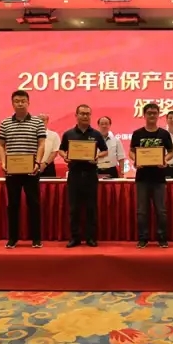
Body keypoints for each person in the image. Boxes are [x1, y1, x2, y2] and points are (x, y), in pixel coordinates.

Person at [0, 90, 46, 249]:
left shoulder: (37, 122)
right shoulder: (5, 123)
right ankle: (12, 238)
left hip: (31, 170)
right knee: (13, 204)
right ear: (12, 103)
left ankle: (36, 238)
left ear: (28, 102)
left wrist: (37, 162)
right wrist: (3, 162)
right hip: (12, 170)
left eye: (23, 101)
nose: (20, 104)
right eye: (17, 101)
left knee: (34, 204)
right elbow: (0, 145)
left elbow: (41, 144)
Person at [59, 105, 108, 247]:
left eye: (88, 114)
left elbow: (105, 150)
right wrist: (65, 156)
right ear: (76, 115)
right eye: (82, 114)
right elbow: (61, 150)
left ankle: (91, 238)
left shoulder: (96, 134)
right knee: (74, 208)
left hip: (90, 175)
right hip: (74, 174)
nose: (85, 116)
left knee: (91, 208)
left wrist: (97, 156)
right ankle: (75, 238)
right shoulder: (68, 134)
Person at [129, 103, 173, 248]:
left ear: (158, 114)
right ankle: (143, 238)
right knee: (142, 211)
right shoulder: (137, 133)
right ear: (144, 115)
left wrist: (165, 160)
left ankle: (162, 238)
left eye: (155, 113)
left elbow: (171, 152)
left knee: (161, 211)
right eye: (149, 113)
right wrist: (136, 160)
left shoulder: (164, 134)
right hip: (142, 178)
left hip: (159, 178)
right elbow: (131, 151)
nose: (152, 115)